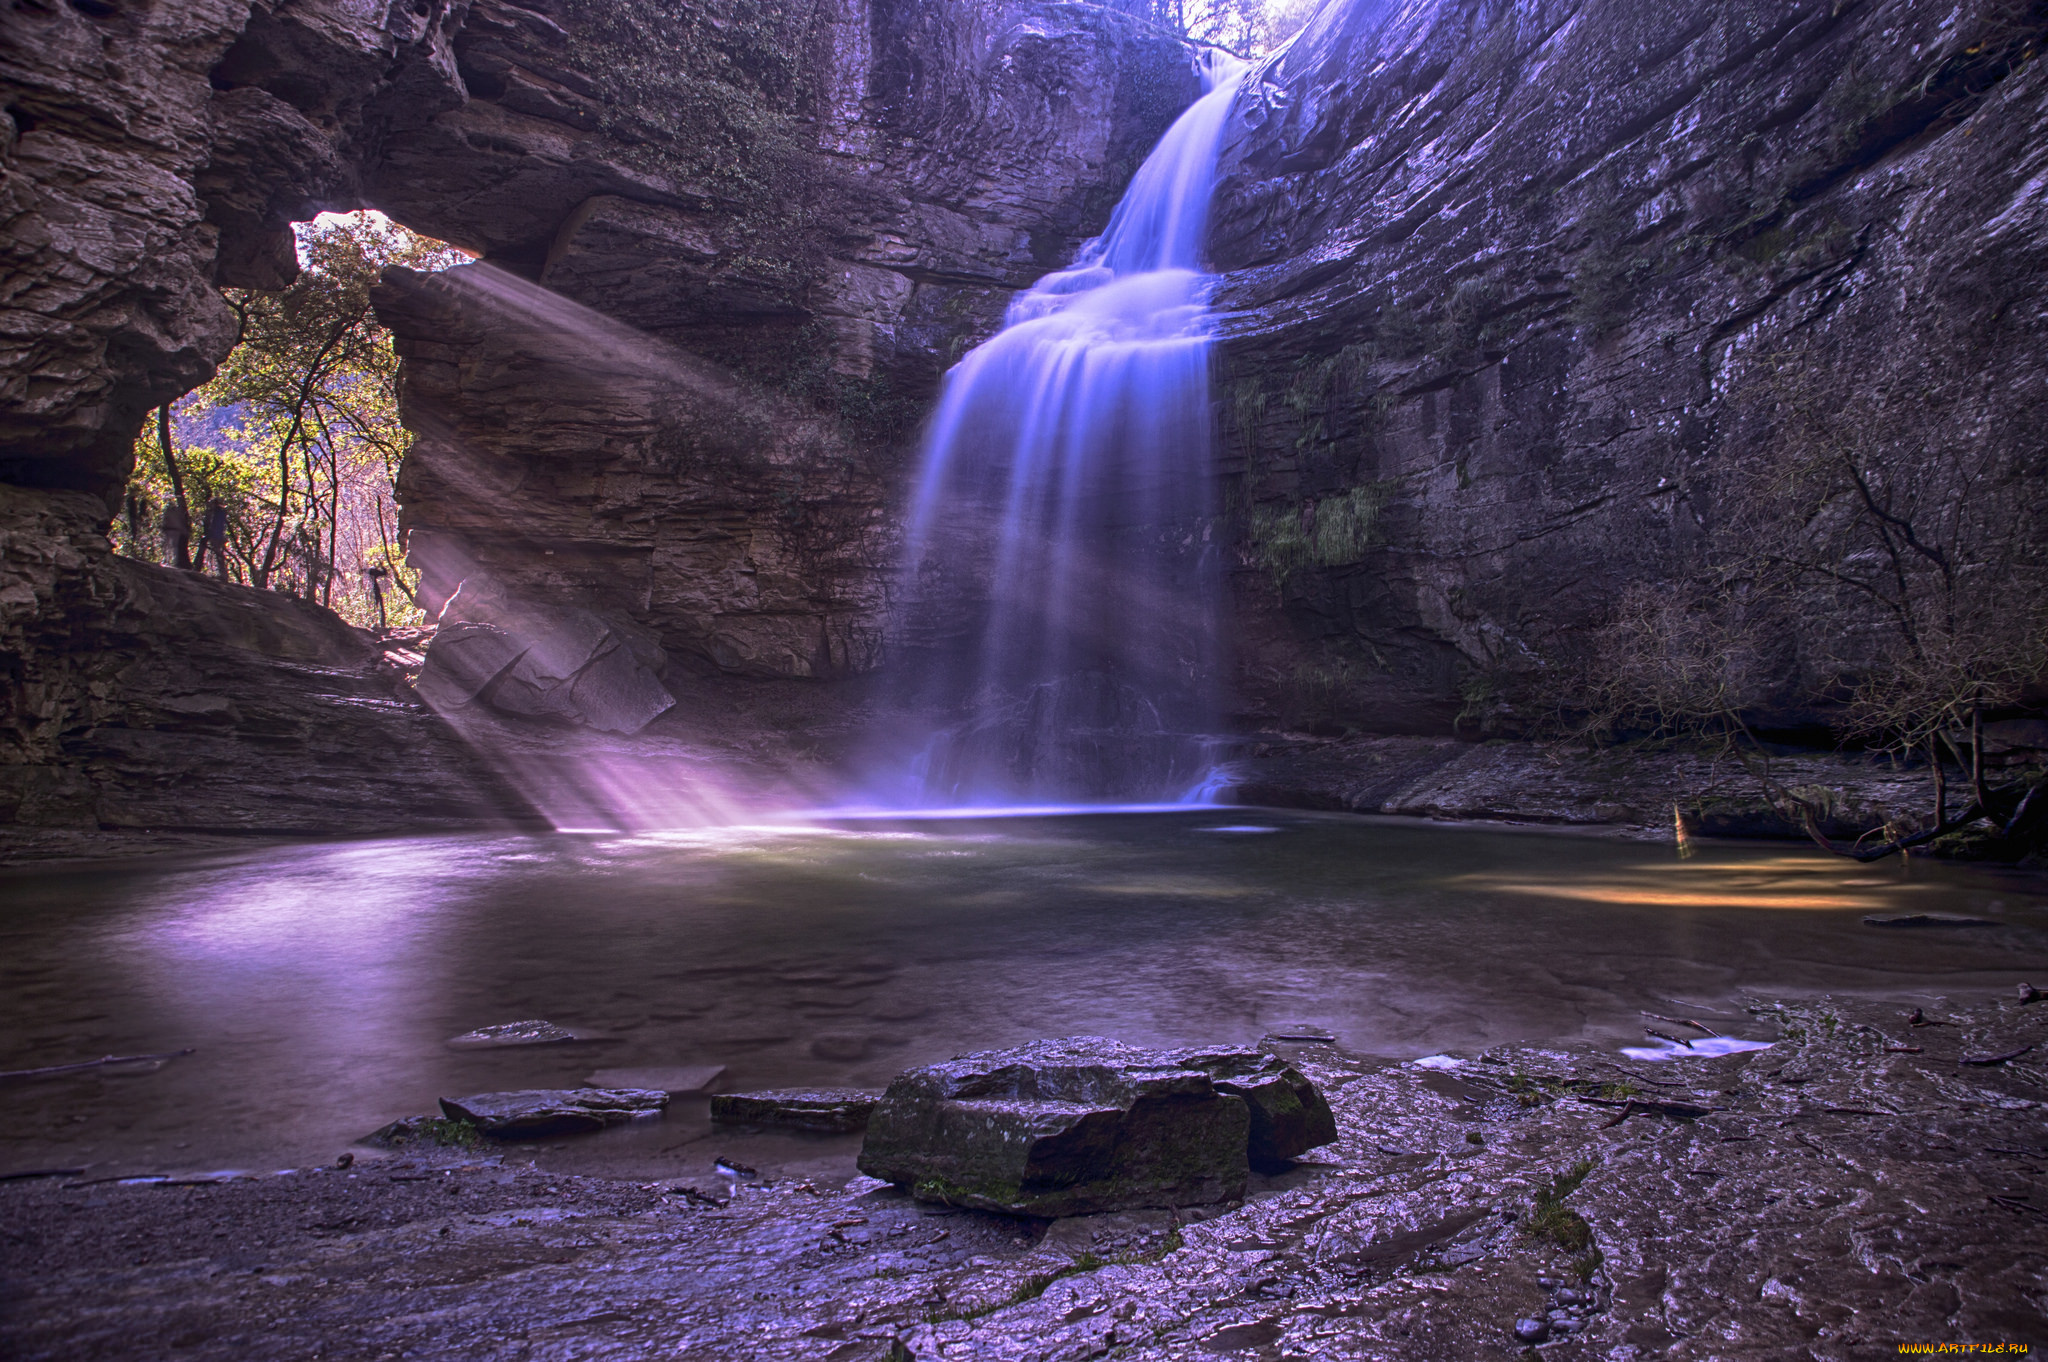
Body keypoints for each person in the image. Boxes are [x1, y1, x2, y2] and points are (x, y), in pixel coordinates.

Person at [201, 498, 229, 581]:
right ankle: (220, 573)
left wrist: (210, 534)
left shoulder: (217, 513)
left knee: (218, 554)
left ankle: (222, 574)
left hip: (216, 536)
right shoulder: (220, 512)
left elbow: (216, 525)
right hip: (218, 536)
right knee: (218, 554)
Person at [159, 498, 190, 568]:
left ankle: (167, 560)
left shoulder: (169, 512)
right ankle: (173, 561)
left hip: (171, 531)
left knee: (168, 546)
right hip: (175, 531)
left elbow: (165, 521)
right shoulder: (178, 512)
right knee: (174, 547)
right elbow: (181, 522)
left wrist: (164, 527)